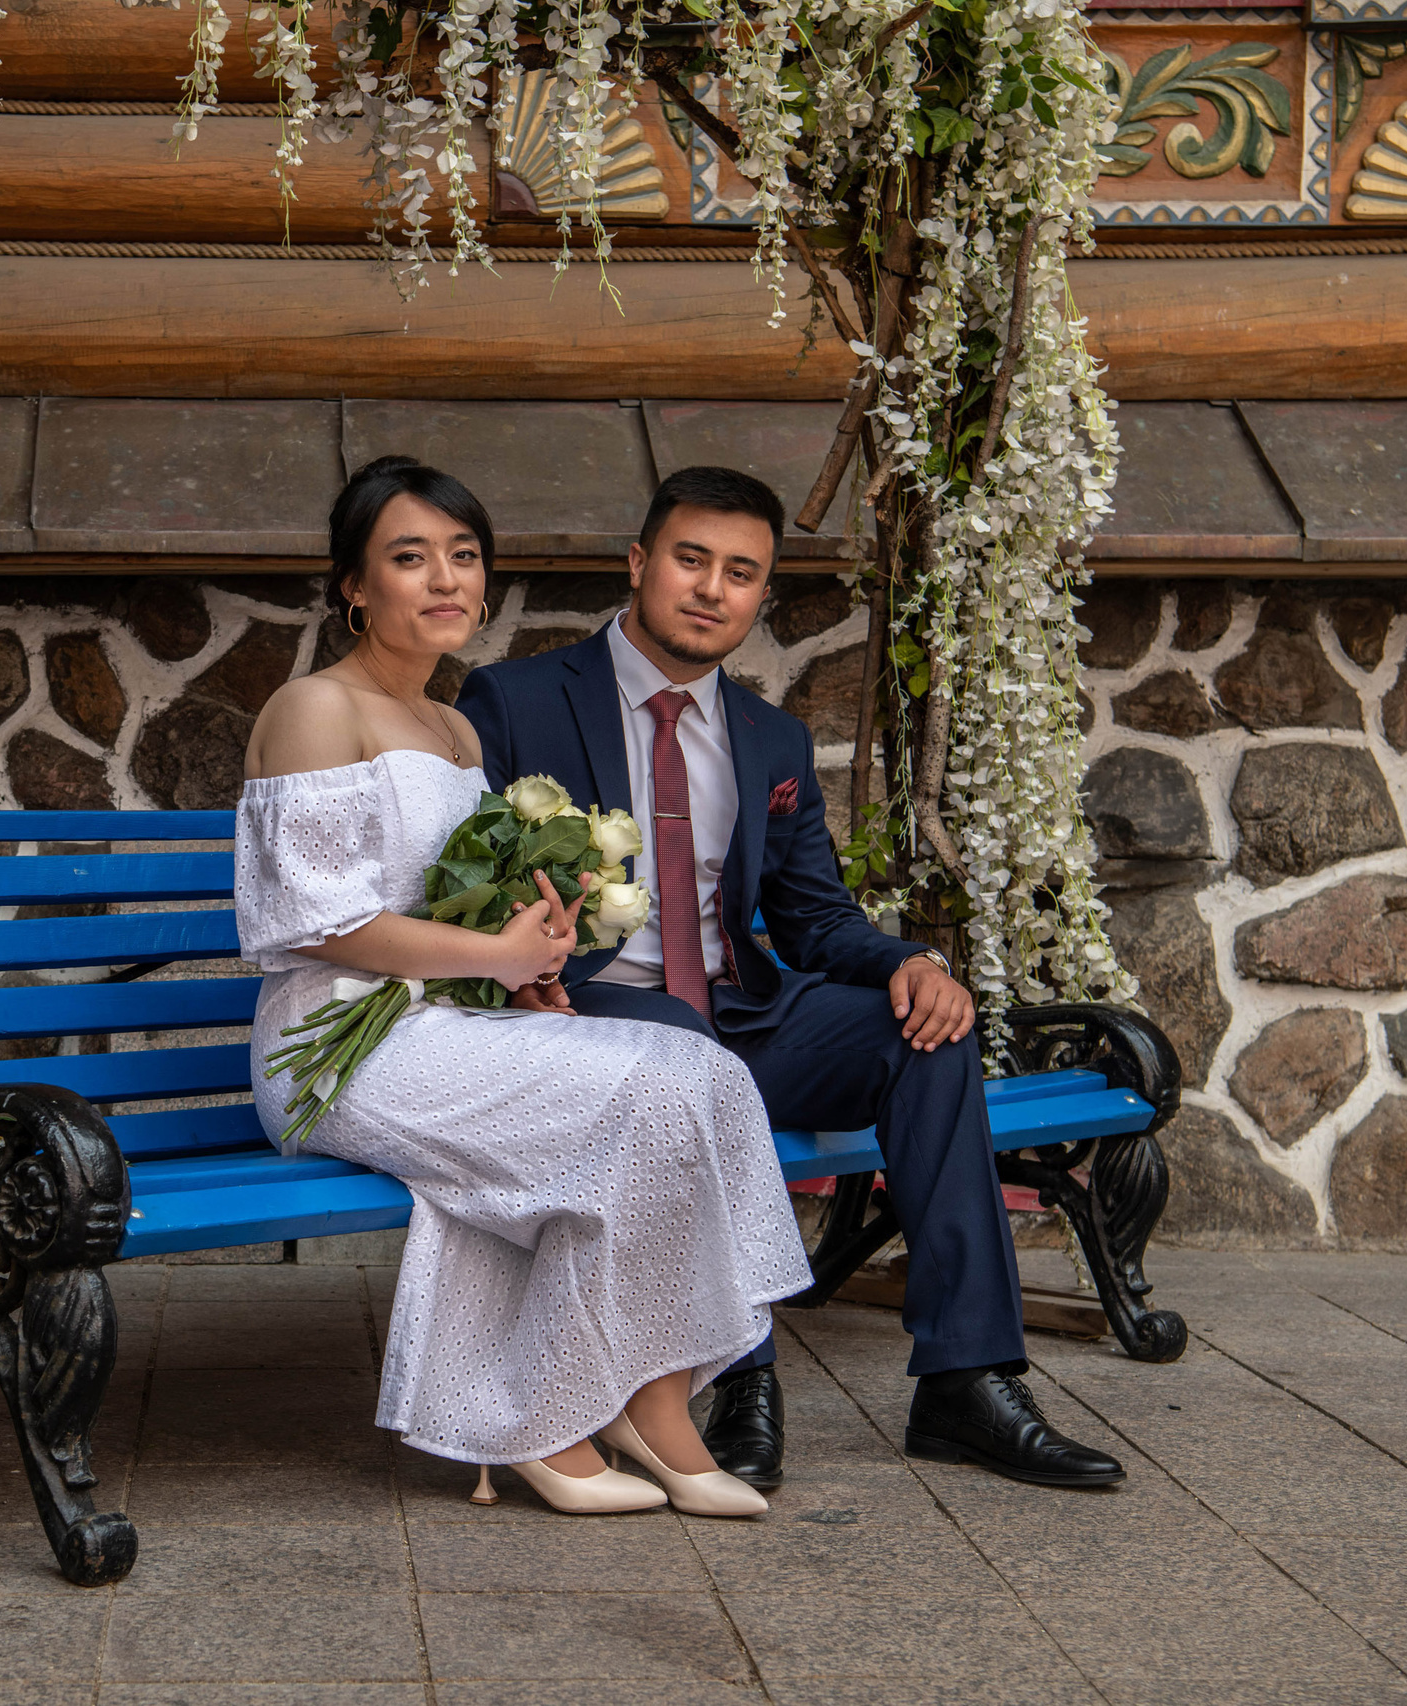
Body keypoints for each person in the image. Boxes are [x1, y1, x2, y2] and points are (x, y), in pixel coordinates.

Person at [454, 466, 1127, 1491]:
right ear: (639, 564)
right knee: (678, 1041)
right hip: (590, 1017)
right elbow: (457, 876)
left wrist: (910, 960)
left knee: (923, 1036)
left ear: (759, 597)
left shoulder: (770, 736)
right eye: (690, 559)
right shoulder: (516, 699)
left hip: (743, 1011)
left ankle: (967, 1377)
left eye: (740, 573)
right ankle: (739, 1382)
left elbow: (813, 920)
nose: (710, 588)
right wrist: (513, 968)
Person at [234, 455, 815, 1518]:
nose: (443, 579)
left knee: (696, 1067)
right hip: (334, 1048)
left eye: (463, 557)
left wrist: (524, 973)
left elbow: (455, 911)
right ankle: (563, 1411)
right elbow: (320, 923)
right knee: (638, 1092)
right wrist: (496, 959)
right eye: (408, 558)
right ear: (355, 586)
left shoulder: (457, 729)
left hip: (443, 1026)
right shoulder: (316, 708)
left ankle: (647, 1395)